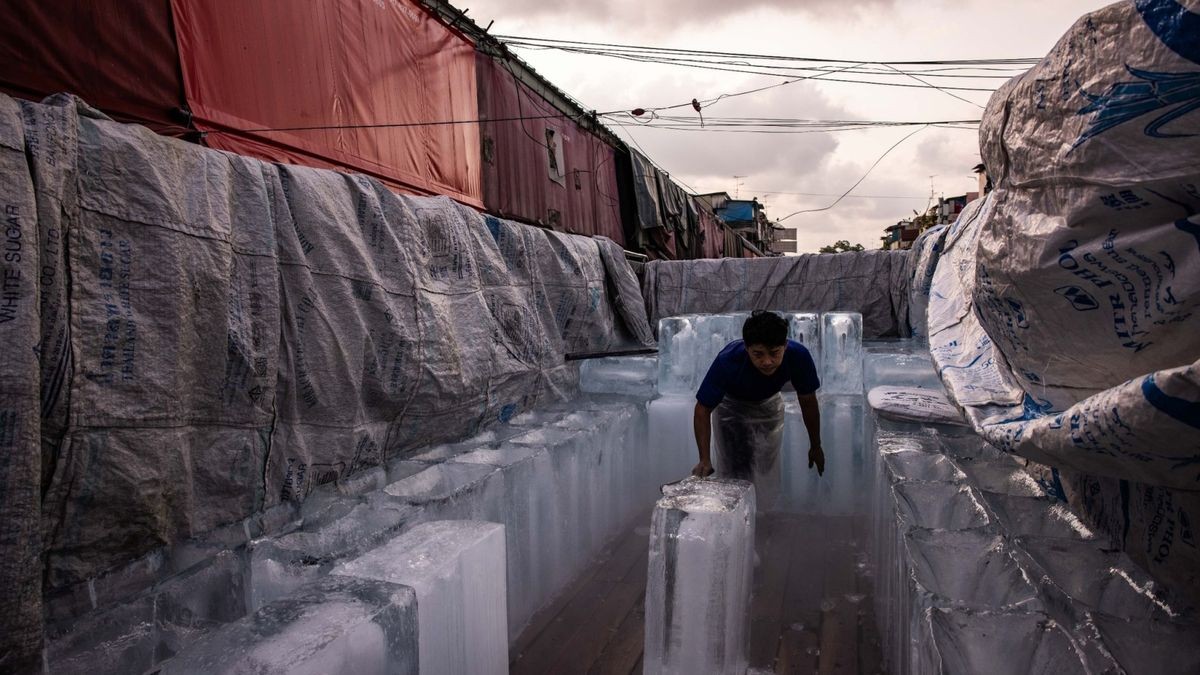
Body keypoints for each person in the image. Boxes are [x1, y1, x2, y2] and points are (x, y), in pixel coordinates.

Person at [691, 311, 824, 499]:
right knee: (736, 467)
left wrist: (816, 445)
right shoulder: (728, 361)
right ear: (747, 348)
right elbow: (702, 409)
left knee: (765, 467)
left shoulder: (798, 356)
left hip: (768, 404)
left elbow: (808, 401)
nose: (767, 361)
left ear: (785, 346)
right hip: (732, 408)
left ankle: (765, 515)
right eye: (758, 354)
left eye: (774, 353)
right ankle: (736, 515)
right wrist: (704, 458)